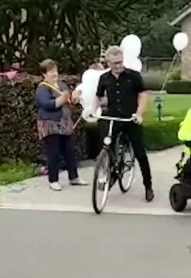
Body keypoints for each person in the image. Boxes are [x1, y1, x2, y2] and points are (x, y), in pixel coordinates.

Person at [92, 46, 154, 202]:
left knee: (140, 152)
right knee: (108, 147)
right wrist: (93, 111)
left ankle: (148, 186)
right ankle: (111, 175)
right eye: (114, 63)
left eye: (120, 62)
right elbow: (98, 97)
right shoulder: (104, 78)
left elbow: (143, 95)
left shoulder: (133, 76)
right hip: (113, 118)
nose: (118, 66)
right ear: (108, 63)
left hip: (130, 118)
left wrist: (139, 114)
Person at [36, 59, 87, 191]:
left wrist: (74, 98)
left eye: (55, 71)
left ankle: (74, 177)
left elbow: (69, 100)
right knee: (53, 153)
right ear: (44, 74)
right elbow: (47, 104)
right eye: (51, 71)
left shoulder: (62, 85)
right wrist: (61, 99)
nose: (54, 74)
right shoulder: (42, 88)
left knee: (70, 151)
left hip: (65, 124)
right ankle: (53, 180)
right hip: (49, 124)